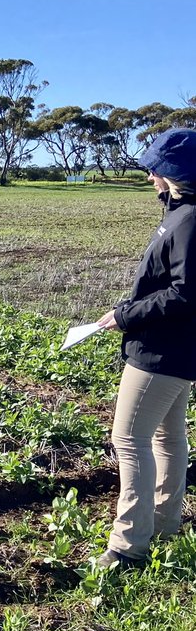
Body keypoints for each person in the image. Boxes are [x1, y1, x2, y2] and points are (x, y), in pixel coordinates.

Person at [95, 128, 196, 567]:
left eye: (156, 168)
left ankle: (127, 547)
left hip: (161, 351)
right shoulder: (182, 212)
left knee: (129, 438)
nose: (151, 175)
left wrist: (125, 315)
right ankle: (164, 523)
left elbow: (185, 293)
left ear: (177, 172)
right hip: (178, 349)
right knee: (167, 438)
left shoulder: (191, 219)